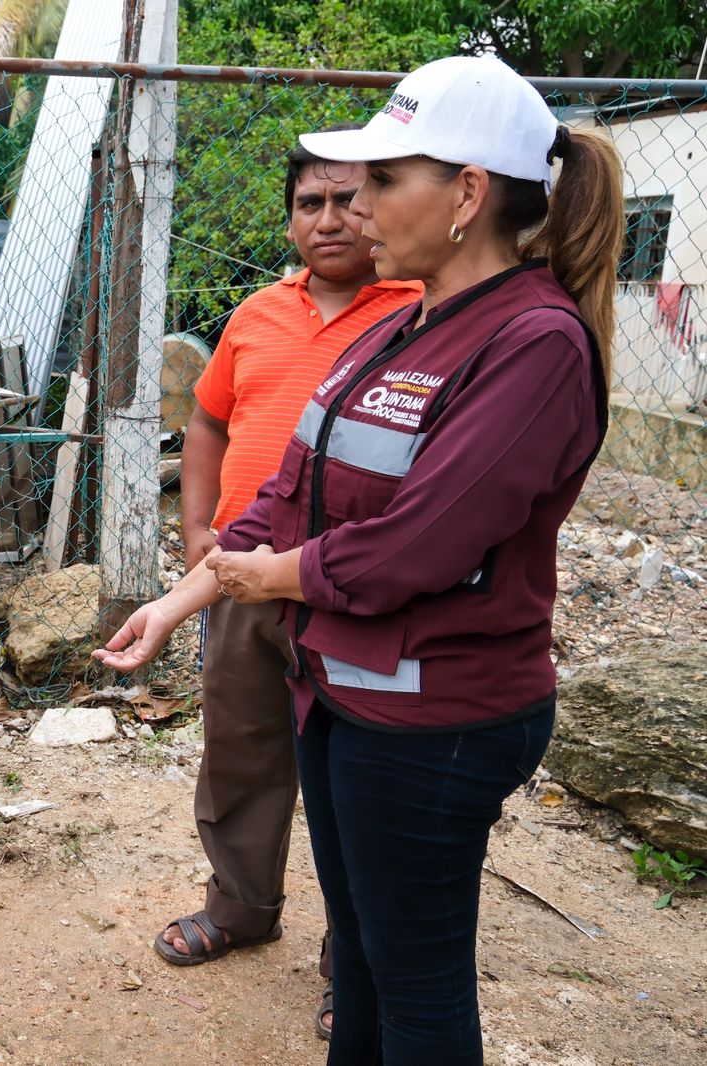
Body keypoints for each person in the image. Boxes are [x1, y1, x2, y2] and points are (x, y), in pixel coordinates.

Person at [96, 54, 622, 1065]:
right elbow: (283, 496)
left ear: (467, 194)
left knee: (416, 993)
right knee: (368, 967)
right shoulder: (400, 328)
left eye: (385, 180)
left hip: (439, 718)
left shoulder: (535, 341)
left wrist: (273, 580)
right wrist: (178, 601)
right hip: (343, 693)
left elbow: (418, 542)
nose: (355, 206)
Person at [161, 139, 421, 1044]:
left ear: (385, 206)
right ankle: (241, 904)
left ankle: (352, 965)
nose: (330, 220)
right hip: (238, 581)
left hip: (350, 589)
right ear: (289, 218)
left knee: (357, 780)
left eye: (351, 200)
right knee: (240, 748)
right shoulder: (257, 315)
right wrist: (200, 533)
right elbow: (206, 418)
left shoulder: (418, 316)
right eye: (310, 203)